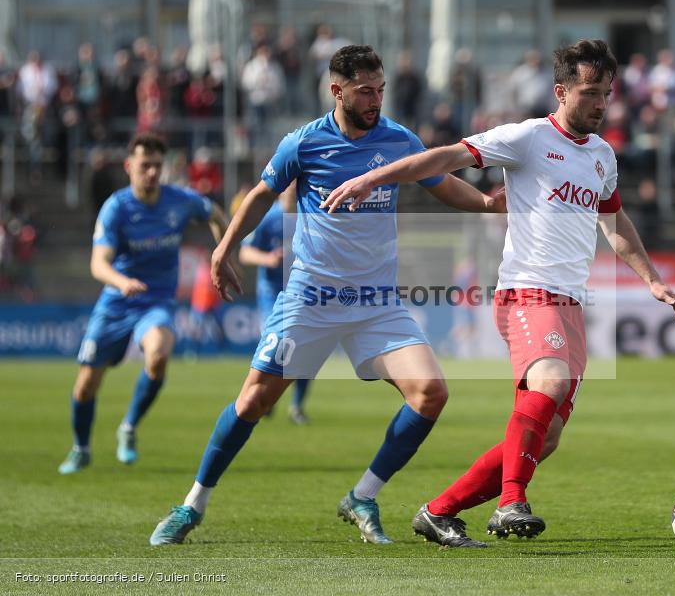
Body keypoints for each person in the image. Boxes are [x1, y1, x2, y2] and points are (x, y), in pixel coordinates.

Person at [322, 39, 675, 548]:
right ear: (561, 91)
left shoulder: (602, 156)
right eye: (589, 93)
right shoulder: (528, 138)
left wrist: (651, 279)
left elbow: (614, 221)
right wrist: (371, 179)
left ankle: (438, 512)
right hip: (527, 292)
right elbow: (444, 157)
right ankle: (511, 501)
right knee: (550, 383)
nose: (601, 104)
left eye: (606, 93)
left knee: (546, 437)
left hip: (571, 303)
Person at [148, 45, 504, 546]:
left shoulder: (399, 139)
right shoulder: (304, 142)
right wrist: (224, 248)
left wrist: (488, 204)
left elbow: (441, 183)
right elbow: (261, 195)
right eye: (365, 91)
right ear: (337, 90)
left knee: (431, 393)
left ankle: (362, 495)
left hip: (376, 303)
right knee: (253, 401)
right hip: (311, 298)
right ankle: (191, 505)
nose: (375, 100)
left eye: (380, 89)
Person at [58, 133, 228, 474]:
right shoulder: (116, 208)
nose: (151, 172)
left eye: (156, 166)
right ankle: (81, 448)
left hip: (156, 302)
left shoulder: (179, 199)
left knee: (159, 354)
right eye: (145, 165)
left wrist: (222, 255)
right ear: (129, 166)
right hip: (116, 303)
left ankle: (129, 426)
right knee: (86, 385)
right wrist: (122, 282)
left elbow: (215, 215)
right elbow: (98, 264)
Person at [239, 181, 313, 424]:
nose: (293, 188)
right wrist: (268, 259)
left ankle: (296, 406)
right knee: (277, 345)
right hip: (272, 293)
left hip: (303, 292)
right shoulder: (268, 217)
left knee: (307, 349)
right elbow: (245, 253)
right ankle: (264, 396)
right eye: (290, 184)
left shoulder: (309, 214)